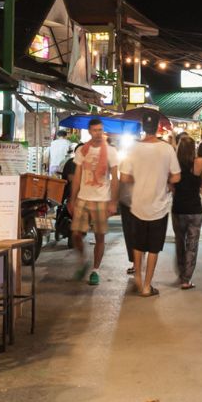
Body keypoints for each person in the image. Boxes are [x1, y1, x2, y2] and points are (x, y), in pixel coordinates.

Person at [118, 125, 181, 297]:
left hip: (137, 206)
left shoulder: (133, 148)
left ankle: (138, 278)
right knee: (154, 248)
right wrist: (163, 178)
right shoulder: (167, 149)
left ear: (144, 128)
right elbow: (177, 176)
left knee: (138, 245)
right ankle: (147, 286)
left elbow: (123, 177)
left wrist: (139, 177)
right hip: (159, 208)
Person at [70, 118, 116, 286]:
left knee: (99, 236)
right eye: (95, 130)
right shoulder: (82, 150)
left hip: (102, 198)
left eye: (100, 130)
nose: (98, 133)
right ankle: (83, 260)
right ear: (89, 131)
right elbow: (77, 176)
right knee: (76, 234)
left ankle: (95, 270)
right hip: (84, 197)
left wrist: (113, 201)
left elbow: (115, 178)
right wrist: (72, 198)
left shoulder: (111, 151)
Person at [170, 134, 202, 289]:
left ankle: (181, 274)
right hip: (195, 209)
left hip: (178, 208)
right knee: (192, 245)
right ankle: (186, 279)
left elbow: (170, 185)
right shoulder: (200, 162)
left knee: (180, 242)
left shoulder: (174, 164)